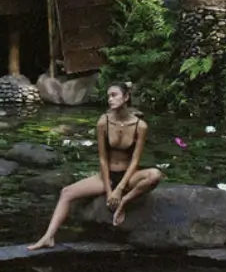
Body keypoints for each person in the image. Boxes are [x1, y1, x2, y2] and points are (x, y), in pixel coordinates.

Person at [28, 83, 162, 249]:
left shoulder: (140, 126)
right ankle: (48, 237)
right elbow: (103, 159)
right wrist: (108, 191)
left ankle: (124, 203)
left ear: (126, 97)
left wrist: (120, 191)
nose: (110, 100)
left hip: (128, 177)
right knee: (66, 192)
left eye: (114, 95)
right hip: (106, 175)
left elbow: (135, 160)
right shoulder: (103, 122)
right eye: (108, 96)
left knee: (155, 174)